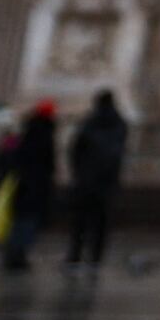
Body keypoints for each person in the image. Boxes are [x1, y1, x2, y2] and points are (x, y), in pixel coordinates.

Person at [63, 90, 129, 272]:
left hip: (85, 181)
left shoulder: (89, 123)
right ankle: (95, 259)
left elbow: (75, 151)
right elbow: (120, 154)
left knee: (80, 223)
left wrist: (78, 173)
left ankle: (74, 257)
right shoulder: (120, 124)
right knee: (101, 223)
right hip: (106, 183)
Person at [0, 101, 63, 268]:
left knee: (21, 220)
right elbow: (47, 164)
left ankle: (14, 252)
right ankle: (18, 254)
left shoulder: (28, 132)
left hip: (24, 184)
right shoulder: (45, 135)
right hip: (36, 186)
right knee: (28, 221)